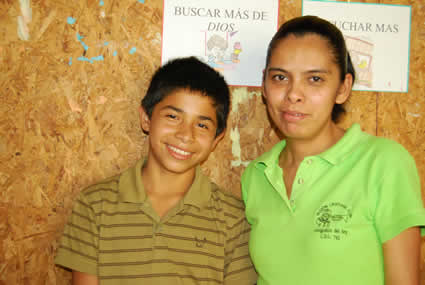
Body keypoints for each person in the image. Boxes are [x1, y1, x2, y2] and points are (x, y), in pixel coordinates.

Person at [241, 15, 425, 285]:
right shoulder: (257, 175)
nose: (293, 94)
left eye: (314, 79)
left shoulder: (383, 163)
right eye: (280, 77)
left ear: (343, 88)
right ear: (264, 87)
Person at [55, 56, 257, 285]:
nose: (185, 135)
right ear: (146, 119)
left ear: (216, 139)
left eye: (201, 125)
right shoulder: (95, 205)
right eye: (173, 116)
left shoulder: (234, 218)